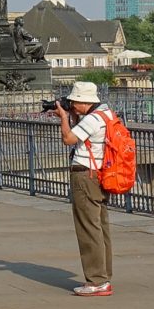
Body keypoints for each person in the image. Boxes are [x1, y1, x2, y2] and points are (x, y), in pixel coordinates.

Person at [53, 82, 113, 296]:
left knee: (88, 228)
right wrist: (73, 116)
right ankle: (103, 276)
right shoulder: (106, 114)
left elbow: (68, 139)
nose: (72, 105)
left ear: (85, 101)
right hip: (99, 174)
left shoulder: (92, 119)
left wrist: (63, 118)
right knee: (99, 226)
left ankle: (96, 281)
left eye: (74, 102)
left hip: (85, 175)